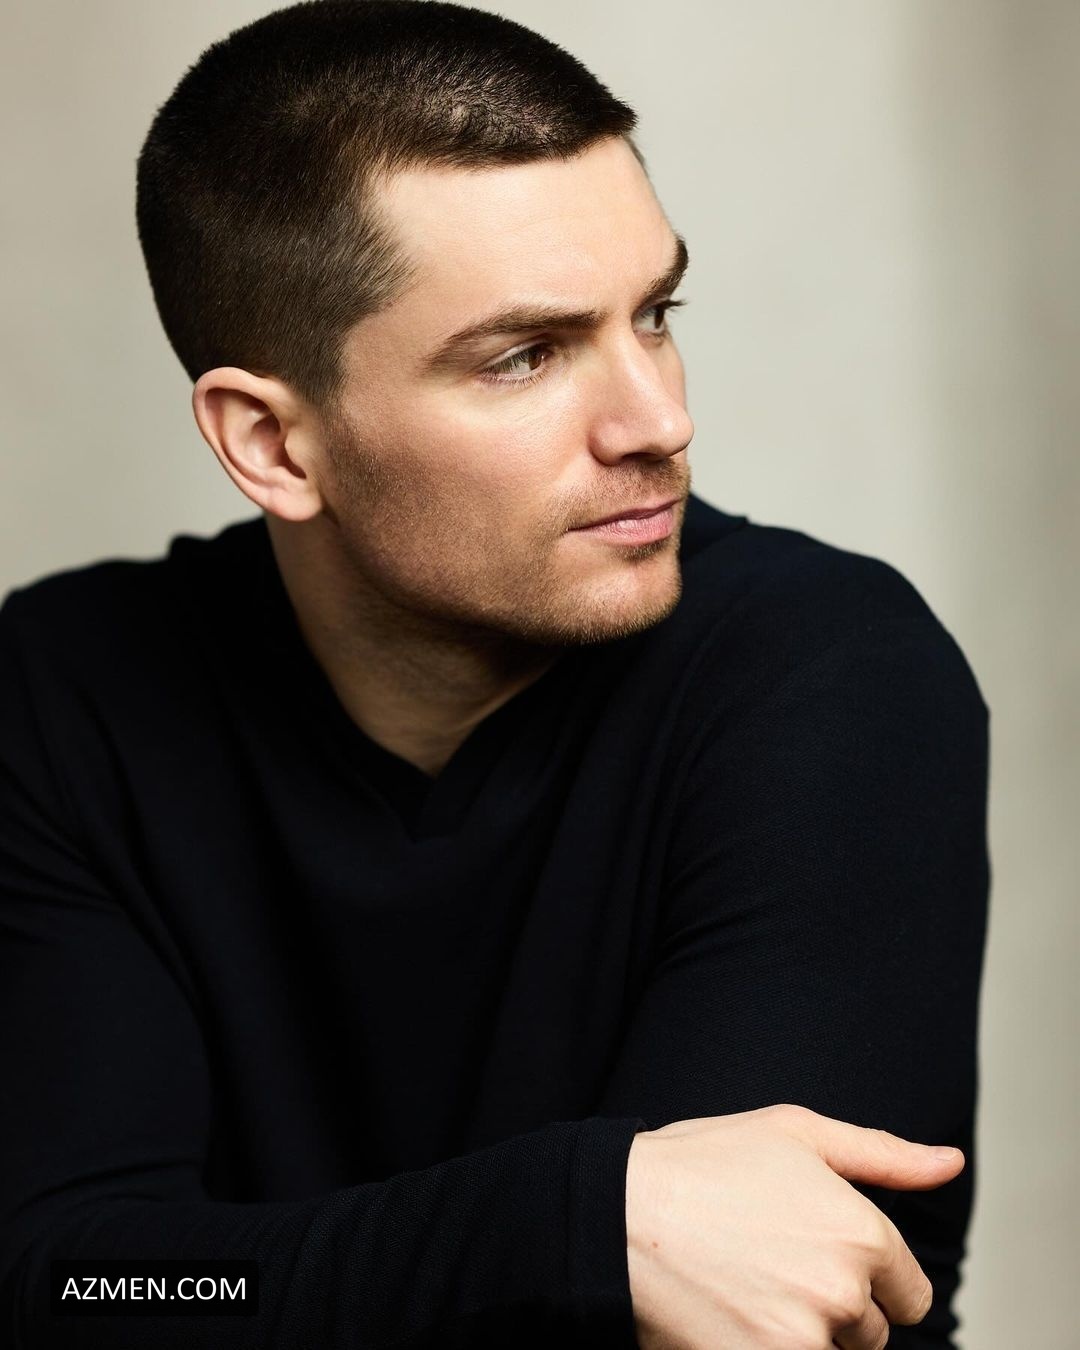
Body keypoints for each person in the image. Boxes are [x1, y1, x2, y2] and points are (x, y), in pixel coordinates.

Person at [0, 2, 990, 1347]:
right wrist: (577, 1227)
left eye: (656, 313)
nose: (660, 420)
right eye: (525, 356)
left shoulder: (832, 676)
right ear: (272, 444)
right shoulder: (64, 696)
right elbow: (71, 1286)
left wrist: (280, 1282)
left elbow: (774, 1311)